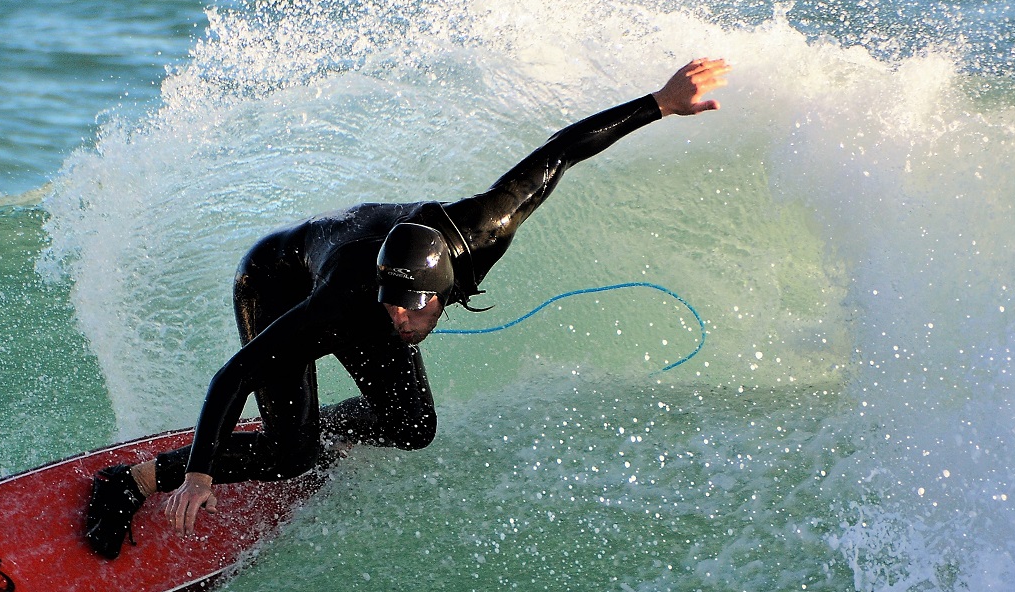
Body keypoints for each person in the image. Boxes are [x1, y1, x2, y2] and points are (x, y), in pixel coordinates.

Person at [84, 57, 731, 558]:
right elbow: (236, 372)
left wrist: (662, 103)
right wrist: (197, 474)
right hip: (278, 279)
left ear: (440, 286)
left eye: (411, 310)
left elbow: (559, 151)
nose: (401, 322)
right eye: (393, 307)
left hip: (348, 265)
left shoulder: (485, 226)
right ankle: (131, 481)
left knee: (412, 426)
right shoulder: (351, 301)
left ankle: (320, 433)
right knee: (289, 457)